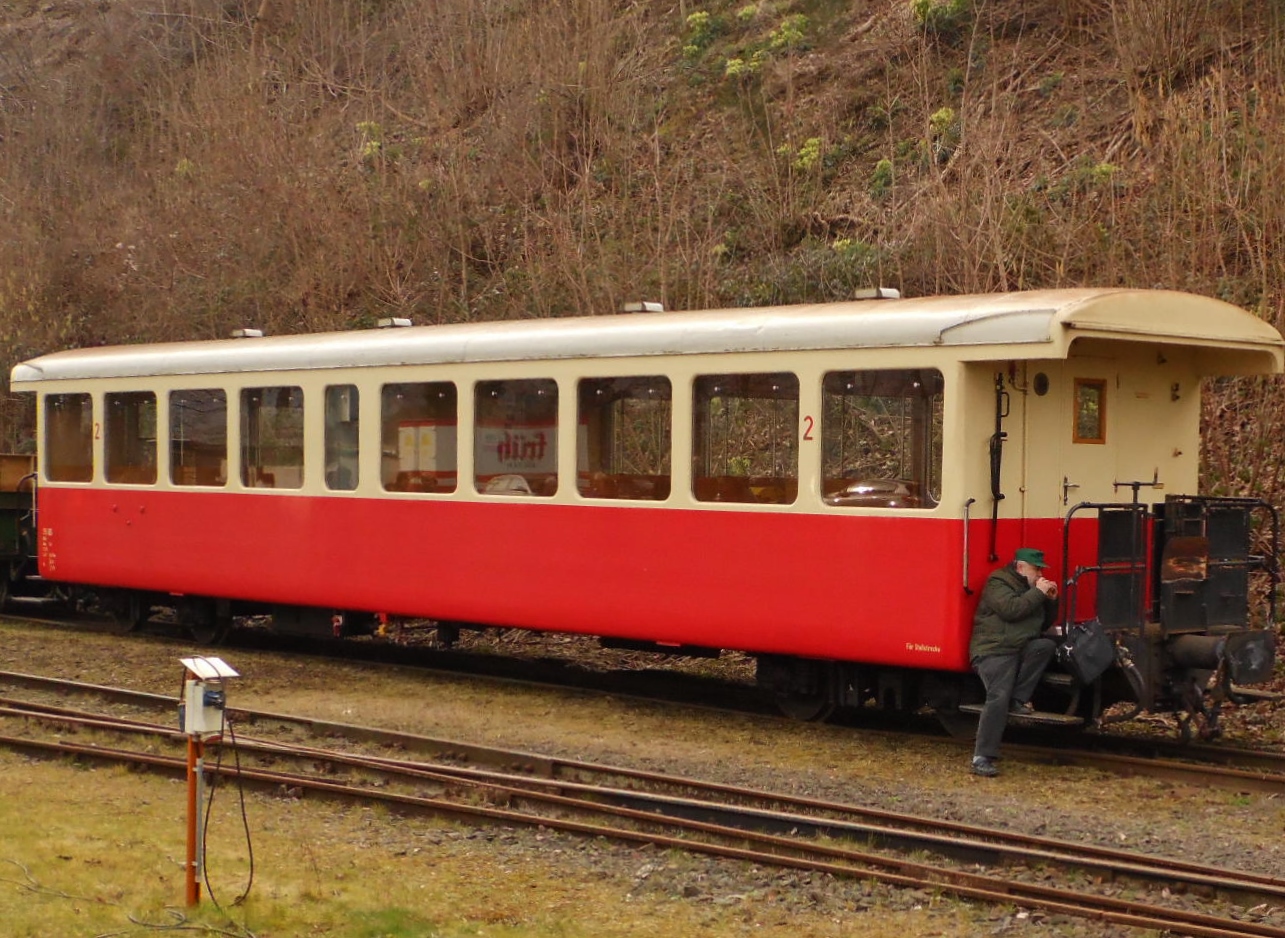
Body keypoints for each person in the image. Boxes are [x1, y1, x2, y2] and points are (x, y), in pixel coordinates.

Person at [968, 547, 1058, 777]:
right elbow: (1011, 610)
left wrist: (1050, 601)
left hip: (1019, 648)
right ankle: (981, 757)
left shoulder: (1031, 588)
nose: (1039, 574)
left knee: (1044, 646)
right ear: (1020, 567)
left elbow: (1044, 623)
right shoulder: (998, 582)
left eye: (1041, 569)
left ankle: (1017, 699)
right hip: (994, 650)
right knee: (998, 695)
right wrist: (1038, 593)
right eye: (1035, 569)